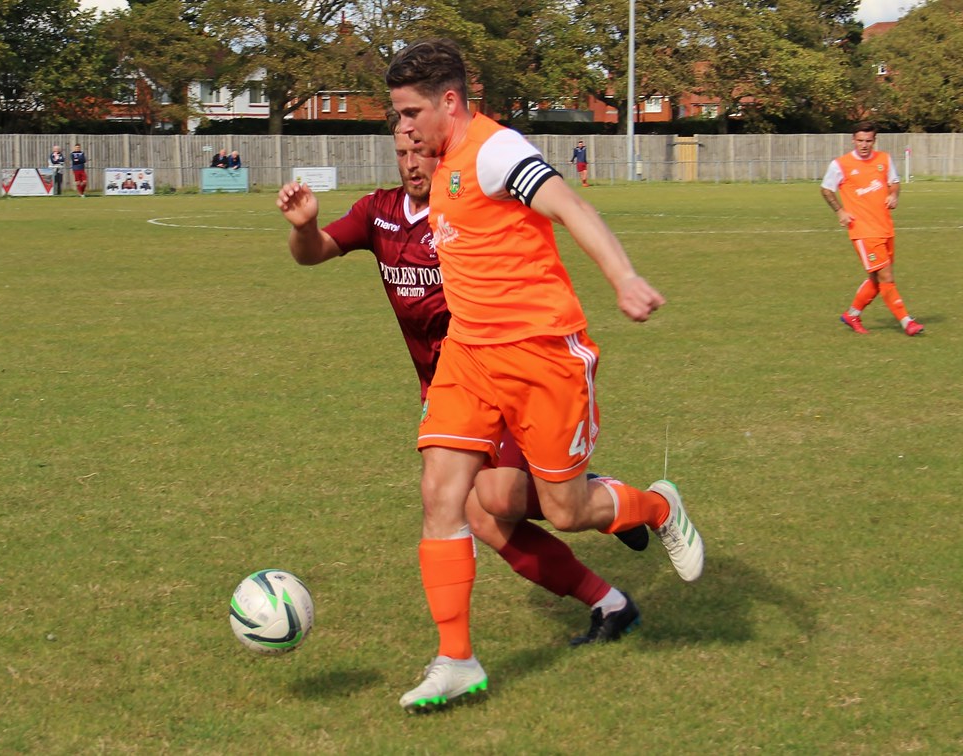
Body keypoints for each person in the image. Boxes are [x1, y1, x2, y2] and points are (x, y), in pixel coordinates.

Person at [386, 38, 704, 712]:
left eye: (412, 112)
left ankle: (657, 505)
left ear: (450, 102)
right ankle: (456, 660)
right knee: (442, 494)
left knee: (565, 509)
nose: (404, 128)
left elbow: (568, 205)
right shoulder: (441, 164)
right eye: (397, 114)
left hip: (542, 359)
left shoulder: (498, 151)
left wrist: (623, 277)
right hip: (469, 358)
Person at [278, 112, 650, 648]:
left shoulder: (470, 210)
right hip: (451, 388)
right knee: (484, 516)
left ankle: (616, 505)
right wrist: (304, 227)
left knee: (495, 502)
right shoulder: (378, 214)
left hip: (502, 375)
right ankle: (607, 596)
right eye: (402, 153)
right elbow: (312, 254)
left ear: (441, 147)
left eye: (419, 151)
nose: (411, 163)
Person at [821, 121, 924, 336]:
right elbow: (826, 189)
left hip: (885, 227)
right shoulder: (841, 164)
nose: (864, 145)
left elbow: (894, 182)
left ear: (874, 141)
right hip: (863, 231)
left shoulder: (884, 159)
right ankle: (906, 322)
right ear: (853, 140)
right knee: (886, 277)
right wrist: (840, 211)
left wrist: (893, 194)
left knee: (878, 281)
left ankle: (852, 315)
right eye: (860, 140)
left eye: (868, 141)